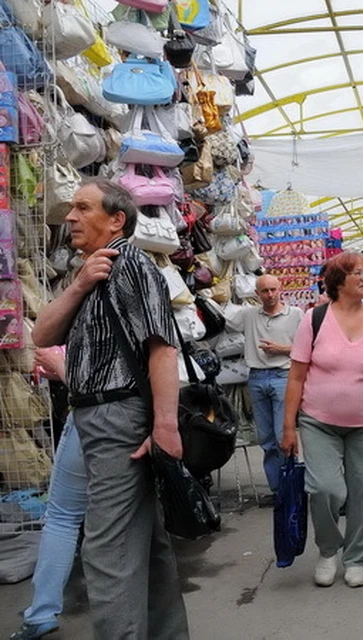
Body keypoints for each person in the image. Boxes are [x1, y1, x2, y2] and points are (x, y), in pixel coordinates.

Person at [32, 179, 188, 638]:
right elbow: (41, 336)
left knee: (109, 551)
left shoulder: (133, 267)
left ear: (117, 219)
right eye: (71, 209)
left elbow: (162, 349)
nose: (72, 217)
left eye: (83, 207)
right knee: (145, 546)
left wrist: (164, 425)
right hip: (94, 417)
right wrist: (79, 284)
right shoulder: (93, 273)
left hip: (117, 417)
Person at [280, 252, 363, 589]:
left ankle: (356, 558)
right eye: (357, 272)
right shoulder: (315, 319)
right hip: (318, 420)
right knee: (324, 487)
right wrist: (289, 426)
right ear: (338, 280)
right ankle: (328, 550)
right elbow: (296, 376)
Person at [10, 350, 85, 640]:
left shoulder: (94, 307)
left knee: (62, 518)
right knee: (128, 520)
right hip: (138, 419)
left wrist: (60, 367)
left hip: (94, 417)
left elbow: (94, 383)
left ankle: (42, 611)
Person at [226, 273, 304, 502]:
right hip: (257, 378)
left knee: (283, 436)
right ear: (256, 294)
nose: (270, 295)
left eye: (273, 290)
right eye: (265, 291)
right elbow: (223, 317)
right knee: (266, 438)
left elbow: (306, 347)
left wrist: (282, 349)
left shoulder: (296, 315)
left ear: (280, 290)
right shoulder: (248, 315)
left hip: (284, 376)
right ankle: (278, 490)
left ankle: (292, 486)